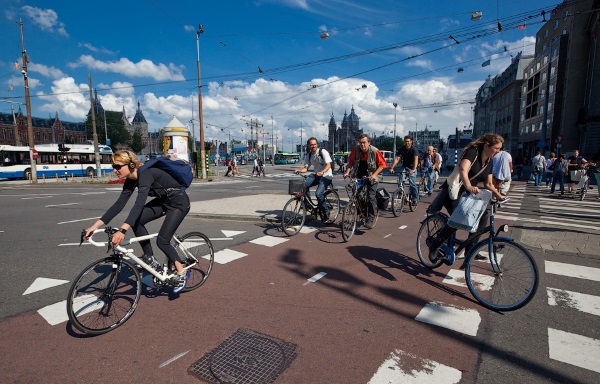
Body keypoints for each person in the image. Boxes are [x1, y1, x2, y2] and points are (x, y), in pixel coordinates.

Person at [84, 150, 191, 293]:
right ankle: (150, 259)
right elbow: (118, 204)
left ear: (131, 164)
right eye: (113, 167)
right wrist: (94, 226)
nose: (115, 170)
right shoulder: (130, 180)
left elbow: (139, 204)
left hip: (178, 203)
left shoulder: (145, 174)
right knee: (137, 220)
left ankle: (181, 272)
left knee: (162, 241)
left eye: (118, 166)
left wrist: (123, 230)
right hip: (164, 201)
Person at [428, 133, 506, 267]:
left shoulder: (490, 161)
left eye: (500, 148)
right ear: (487, 146)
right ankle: (435, 245)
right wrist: (469, 185)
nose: (499, 151)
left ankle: (470, 251)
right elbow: (463, 169)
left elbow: (488, 184)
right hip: (454, 191)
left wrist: (498, 195)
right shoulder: (473, 152)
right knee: (459, 218)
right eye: (497, 148)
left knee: (482, 216)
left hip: (469, 193)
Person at [343, 134, 387, 229]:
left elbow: (382, 165)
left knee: (370, 196)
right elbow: (351, 161)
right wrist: (347, 171)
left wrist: (374, 175)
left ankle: (370, 218)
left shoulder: (375, 151)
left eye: (364, 142)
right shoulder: (356, 149)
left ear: (369, 143)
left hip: (372, 176)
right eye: (360, 143)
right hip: (360, 175)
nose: (362, 145)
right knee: (355, 193)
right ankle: (361, 209)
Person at [295, 137, 334, 222]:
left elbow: (328, 165)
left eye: (315, 144)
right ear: (308, 146)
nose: (313, 146)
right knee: (304, 185)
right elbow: (306, 168)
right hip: (317, 175)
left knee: (318, 193)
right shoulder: (309, 155)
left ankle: (326, 211)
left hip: (326, 175)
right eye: (311, 144)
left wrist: (322, 172)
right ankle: (308, 204)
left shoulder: (322, 152)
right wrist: (299, 170)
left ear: (317, 145)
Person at [390, 136, 419, 205]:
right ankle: (402, 195)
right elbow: (397, 158)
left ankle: (415, 199)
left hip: (412, 167)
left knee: (412, 183)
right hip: (404, 166)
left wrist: (414, 169)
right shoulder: (402, 149)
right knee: (400, 180)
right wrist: (392, 167)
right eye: (405, 141)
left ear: (411, 141)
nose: (407, 143)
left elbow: (416, 159)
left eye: (408, 141)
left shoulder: (414, 149)